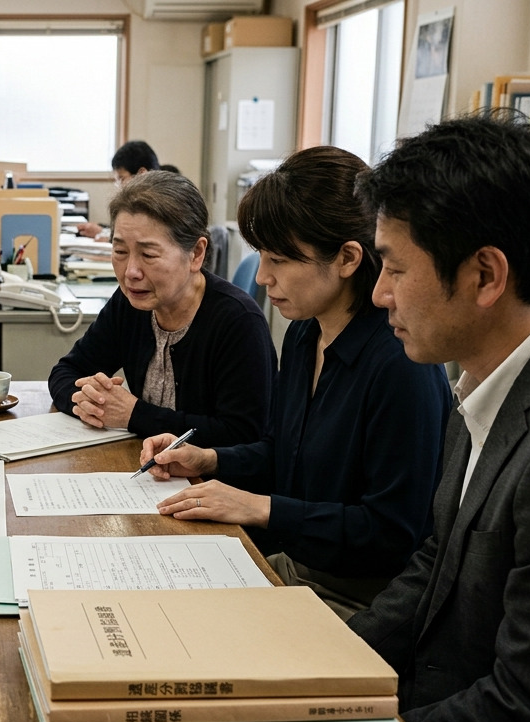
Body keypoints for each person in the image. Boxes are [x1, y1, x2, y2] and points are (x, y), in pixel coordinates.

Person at [346, 112, 530, 722]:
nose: (377, 295)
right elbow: (438, 562)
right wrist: (322, 668)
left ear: (484, 276)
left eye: (394, 269)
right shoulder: (484, 373)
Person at [139, 146, 452, 619]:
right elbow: (286, 453)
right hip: (299, 567)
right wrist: (208, 458)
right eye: (261, 257)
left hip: (361, 599)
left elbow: (392, 533)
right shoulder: (305, 332)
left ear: (348, 258)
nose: (263, 277)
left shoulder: (399, 363)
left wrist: (260, 508)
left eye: (280, 260)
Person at [48, 171, 275, 447]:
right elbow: (66, 371)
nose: (131, 272)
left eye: (149, 255)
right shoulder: (130, 303)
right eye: (120, 252)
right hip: (149, 472)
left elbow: (242, 435)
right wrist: (90, 403)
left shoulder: (238, 322)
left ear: (196, 254)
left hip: (211, 485)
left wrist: (134, 414)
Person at [76, 140, 161, 239]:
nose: (119, 185)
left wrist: (104, 235)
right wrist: (102, 230)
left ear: (142, 174)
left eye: (122, 178)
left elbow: (139, 239)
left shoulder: (160, 204)